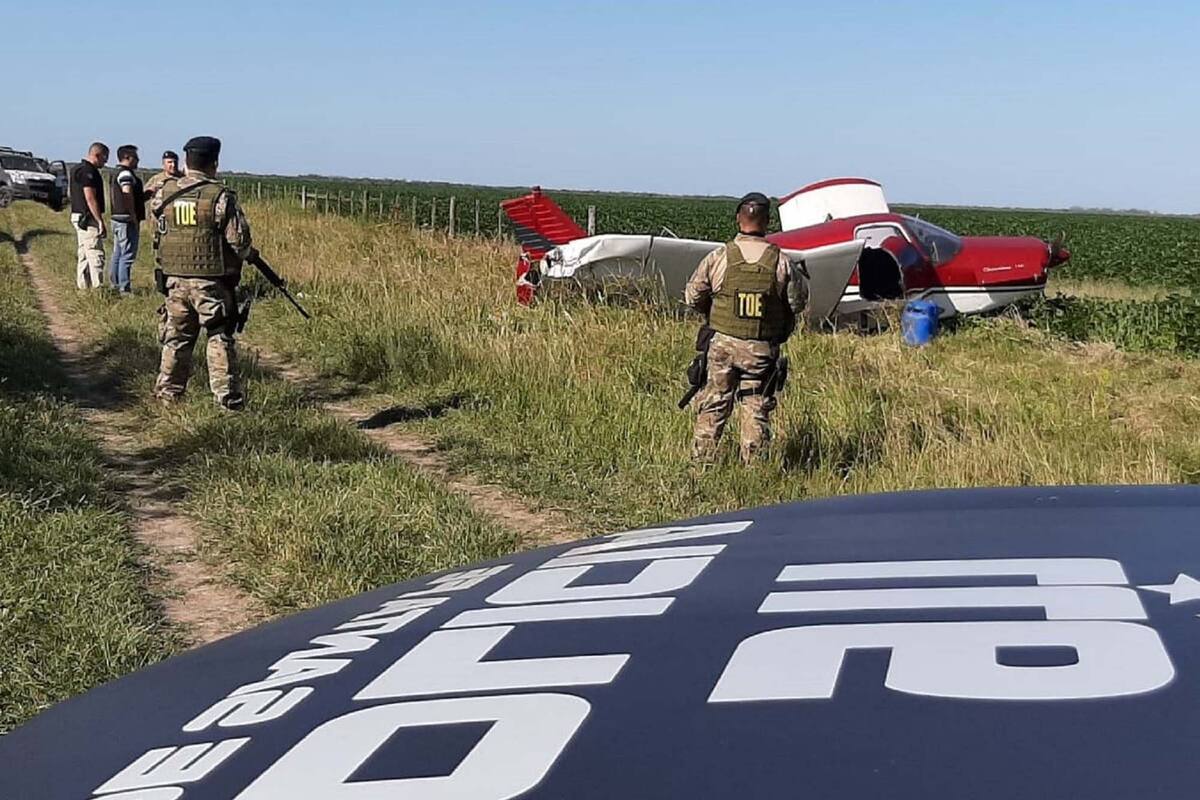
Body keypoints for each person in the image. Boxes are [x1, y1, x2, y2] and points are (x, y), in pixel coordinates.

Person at [684, 192, 808, 464]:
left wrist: (714, 309)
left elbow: (692, 296)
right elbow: (798, 303)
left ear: (739, 218)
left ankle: (701, 464)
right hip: (761, 349)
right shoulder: (782, 261)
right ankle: (754, 468)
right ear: (766, 222)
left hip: (722, 347)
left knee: (714, 401)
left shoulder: (719, 257)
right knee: (755, 406)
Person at [151, 136, 252, 410]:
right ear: (215, 163)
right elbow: (240, 243)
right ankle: (227, 399)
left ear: (186, 162)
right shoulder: (220, 197)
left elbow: (160, 230)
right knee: (218, 336)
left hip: (173, 281)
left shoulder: (164, 193)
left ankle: (168, 396)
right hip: (210, 283)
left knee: (176, 338)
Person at [68, 142, 109, 290]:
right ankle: (99, 288)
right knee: (95, 253)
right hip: (87, 218)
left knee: (84, 254)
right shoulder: (88, 171)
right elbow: (90, 197)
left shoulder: (76, 169)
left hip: (78, 216)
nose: (106, 162)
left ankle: (83, 288)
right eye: (105, 158)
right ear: (97, 155)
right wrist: (99, 220)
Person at [109, 145, 145, 294]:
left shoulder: (115, 173)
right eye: (136, 158)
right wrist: (133, 215)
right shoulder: (126, 174)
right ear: (127, 158)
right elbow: (127, 194)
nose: (138, 161)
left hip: (117, 218)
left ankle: (115, 284)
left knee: (118, 253)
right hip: (126, 219)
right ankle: (124, 288)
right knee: (127, 255)